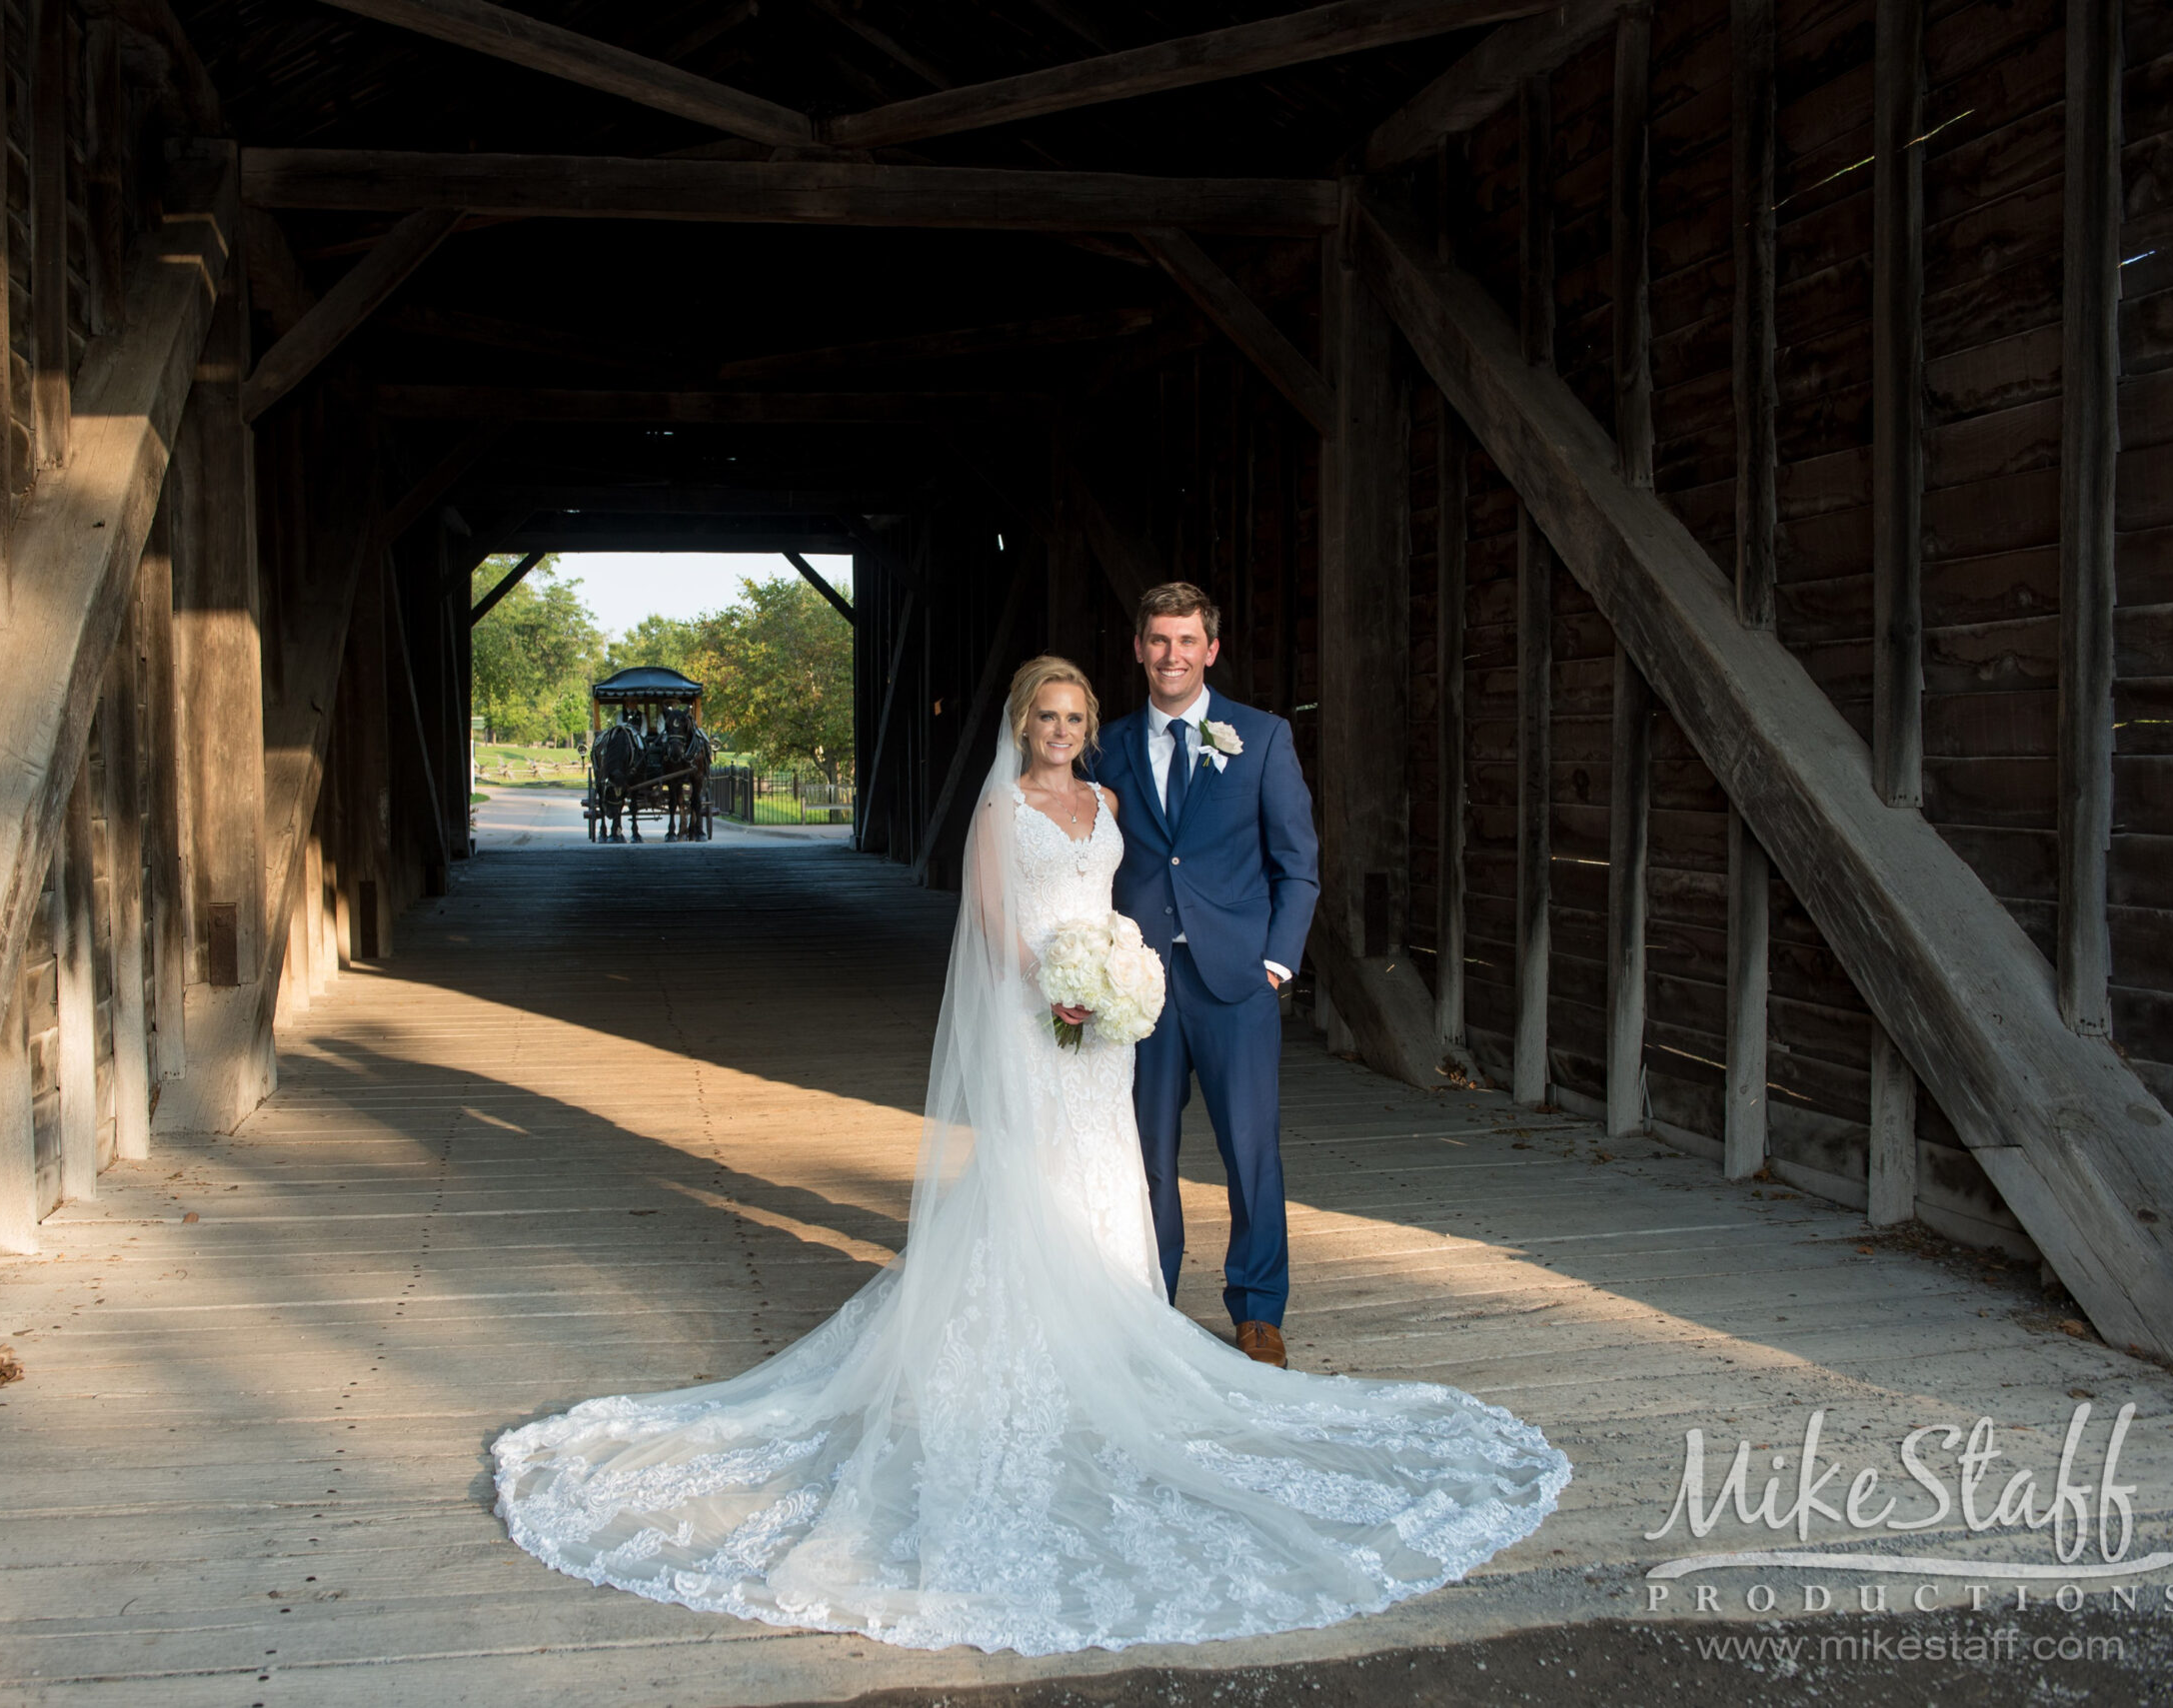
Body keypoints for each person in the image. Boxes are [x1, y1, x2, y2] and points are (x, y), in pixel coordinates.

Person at [492, 655, 1567, 1657]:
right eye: (1044, 717)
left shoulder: (1102, 805)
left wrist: (1121, 977)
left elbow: (1136, 896)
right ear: (1023, 726)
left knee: (1113, 1174)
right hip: (1035, 1016)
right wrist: (1057, 987)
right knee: (1029, 1174)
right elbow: (995, 924)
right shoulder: (1000, 808)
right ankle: (1027, 1343)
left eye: (1073, 718)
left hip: (1102, 1027)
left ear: (1087, 728)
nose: (1059, 731)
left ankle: (1122, 1321)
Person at [1093, 583, 1314, 1366]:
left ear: (1210, 650)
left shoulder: (1261, 738)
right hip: (1139, 986)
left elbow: (1299, 865)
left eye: (1187, 640)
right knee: (1146, 1151)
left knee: (1251, 1150)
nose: (1172, 655)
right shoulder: (1106, 746)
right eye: (1158, 639)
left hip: (1235, 982)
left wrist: (1276, 965)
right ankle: (1150, 1299)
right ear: (1139, 648)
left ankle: (1258, 1311)